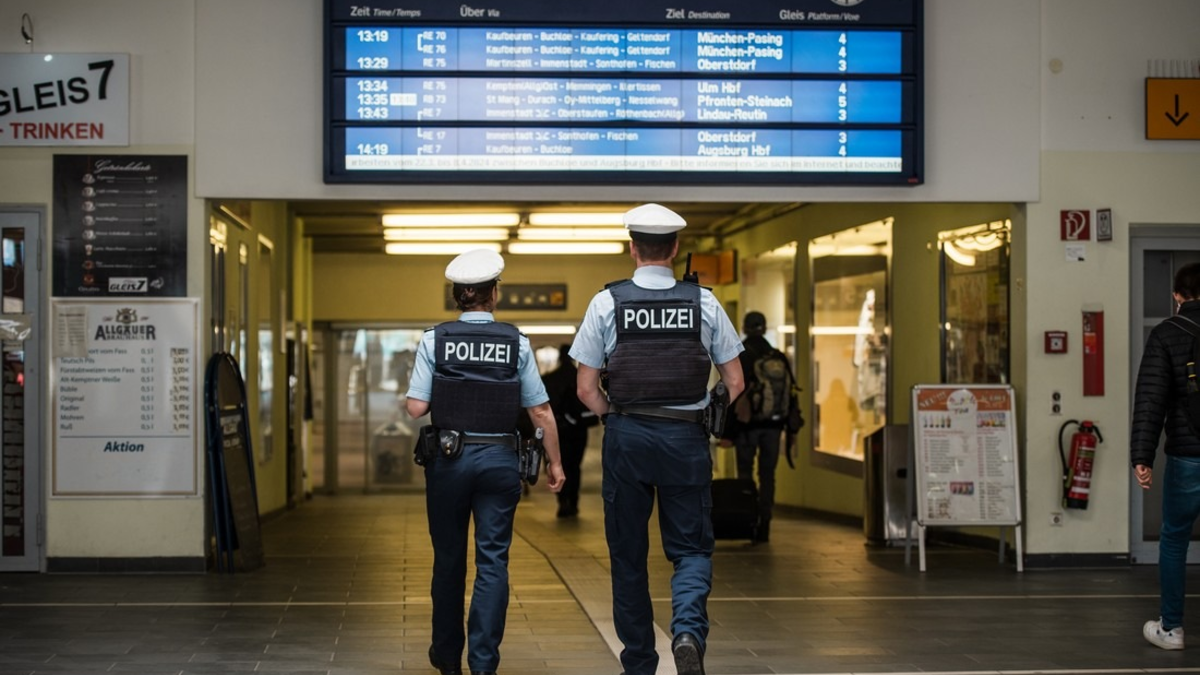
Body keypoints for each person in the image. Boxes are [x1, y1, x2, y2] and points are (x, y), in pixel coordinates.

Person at [570, 203, 744, 675]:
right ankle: (687, 630)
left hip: (627, 435)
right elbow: (736, 381)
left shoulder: (607, 303)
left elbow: (585, 388)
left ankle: (640, 663)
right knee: (690, 548)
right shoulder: (704, 302)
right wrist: (706, 411)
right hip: (685, 438)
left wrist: (615, 416)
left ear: (632, 249)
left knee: (628, 554)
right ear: (675, 248)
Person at [405, 248, 566, 675]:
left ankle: (446, 656)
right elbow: (540, 412)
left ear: (457, 296)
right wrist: (556, 463)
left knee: (449, 559)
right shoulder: (516, 342)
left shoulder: (434, 339)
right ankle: (483, 663)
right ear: (493, 295)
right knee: (493, 561)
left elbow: (416, 408)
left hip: (449, 460)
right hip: (500, 460)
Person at [1132, 261, 1200, 651]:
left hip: (1188, 456)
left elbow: (1151, 399)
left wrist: (1142, 456)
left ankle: (1171, 629)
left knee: (1174, 539)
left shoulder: (1167, 333)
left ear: (1177, 296)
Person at [723, 310, 792, 543]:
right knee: (768, 475)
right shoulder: (777, 356)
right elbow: (790, 394)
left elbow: (735, 390)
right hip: (773, 426)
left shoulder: (741, 354)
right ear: (764, 328)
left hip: (746, 427)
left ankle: (748, 521)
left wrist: (727, 432)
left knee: (745, 474)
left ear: (744, 327)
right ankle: (766, 523)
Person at [542, 344, 598, 518]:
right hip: (578, 430)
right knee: (575, 466)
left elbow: (543, 408)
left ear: (559, 357)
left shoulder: (549, 379)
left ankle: (562, 501)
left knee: (559, 464)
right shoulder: (580, 377)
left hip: (557, 430)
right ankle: (574, 502)